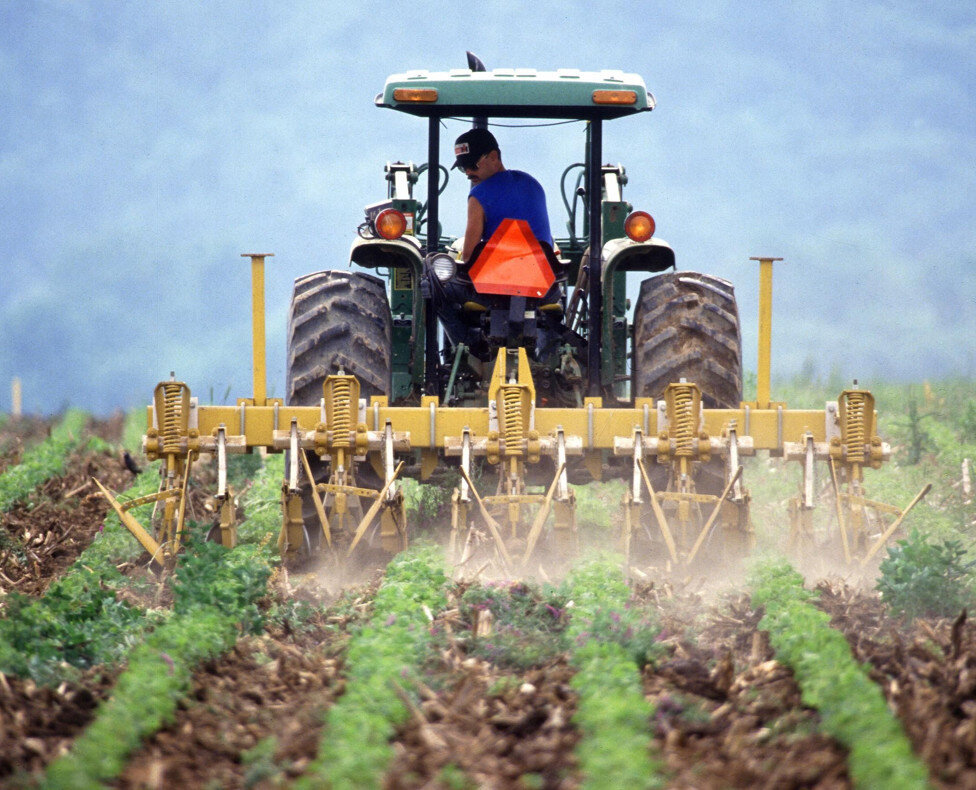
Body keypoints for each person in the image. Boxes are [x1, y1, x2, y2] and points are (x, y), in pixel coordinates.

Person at [451, 128, 553, 261]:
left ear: (493, 157)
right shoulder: (532, 183)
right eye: (463, 168)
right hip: (545, 275)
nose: (468, 173)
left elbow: (469, 257)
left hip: (501, 277)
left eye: (472, 165)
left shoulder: (478, 196)